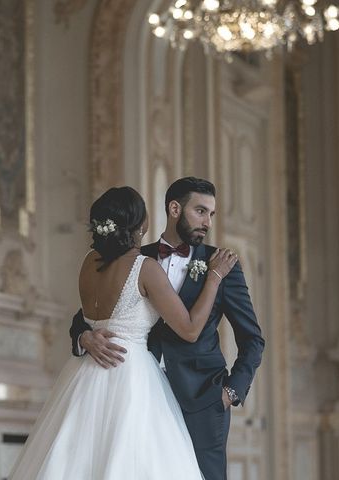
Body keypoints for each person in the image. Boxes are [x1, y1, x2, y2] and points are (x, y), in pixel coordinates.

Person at [9, 186, 238, 479]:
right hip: (131, 377)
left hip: (84, 374)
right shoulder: (146, 268)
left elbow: (88, 318)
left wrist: (84, 336)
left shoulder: (88, 264)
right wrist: (215, 277)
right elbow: (191, 329)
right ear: (141, 225)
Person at [70, 177, 265, 480]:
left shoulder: (222, 265)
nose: (208, 222)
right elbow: (89, 313)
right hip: (136, 397)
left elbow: (253, 339)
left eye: (211, 214)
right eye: (200, 211)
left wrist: (230, 392)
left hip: (202, 400)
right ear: (175, 209)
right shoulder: (133, 256)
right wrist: (84, 336)